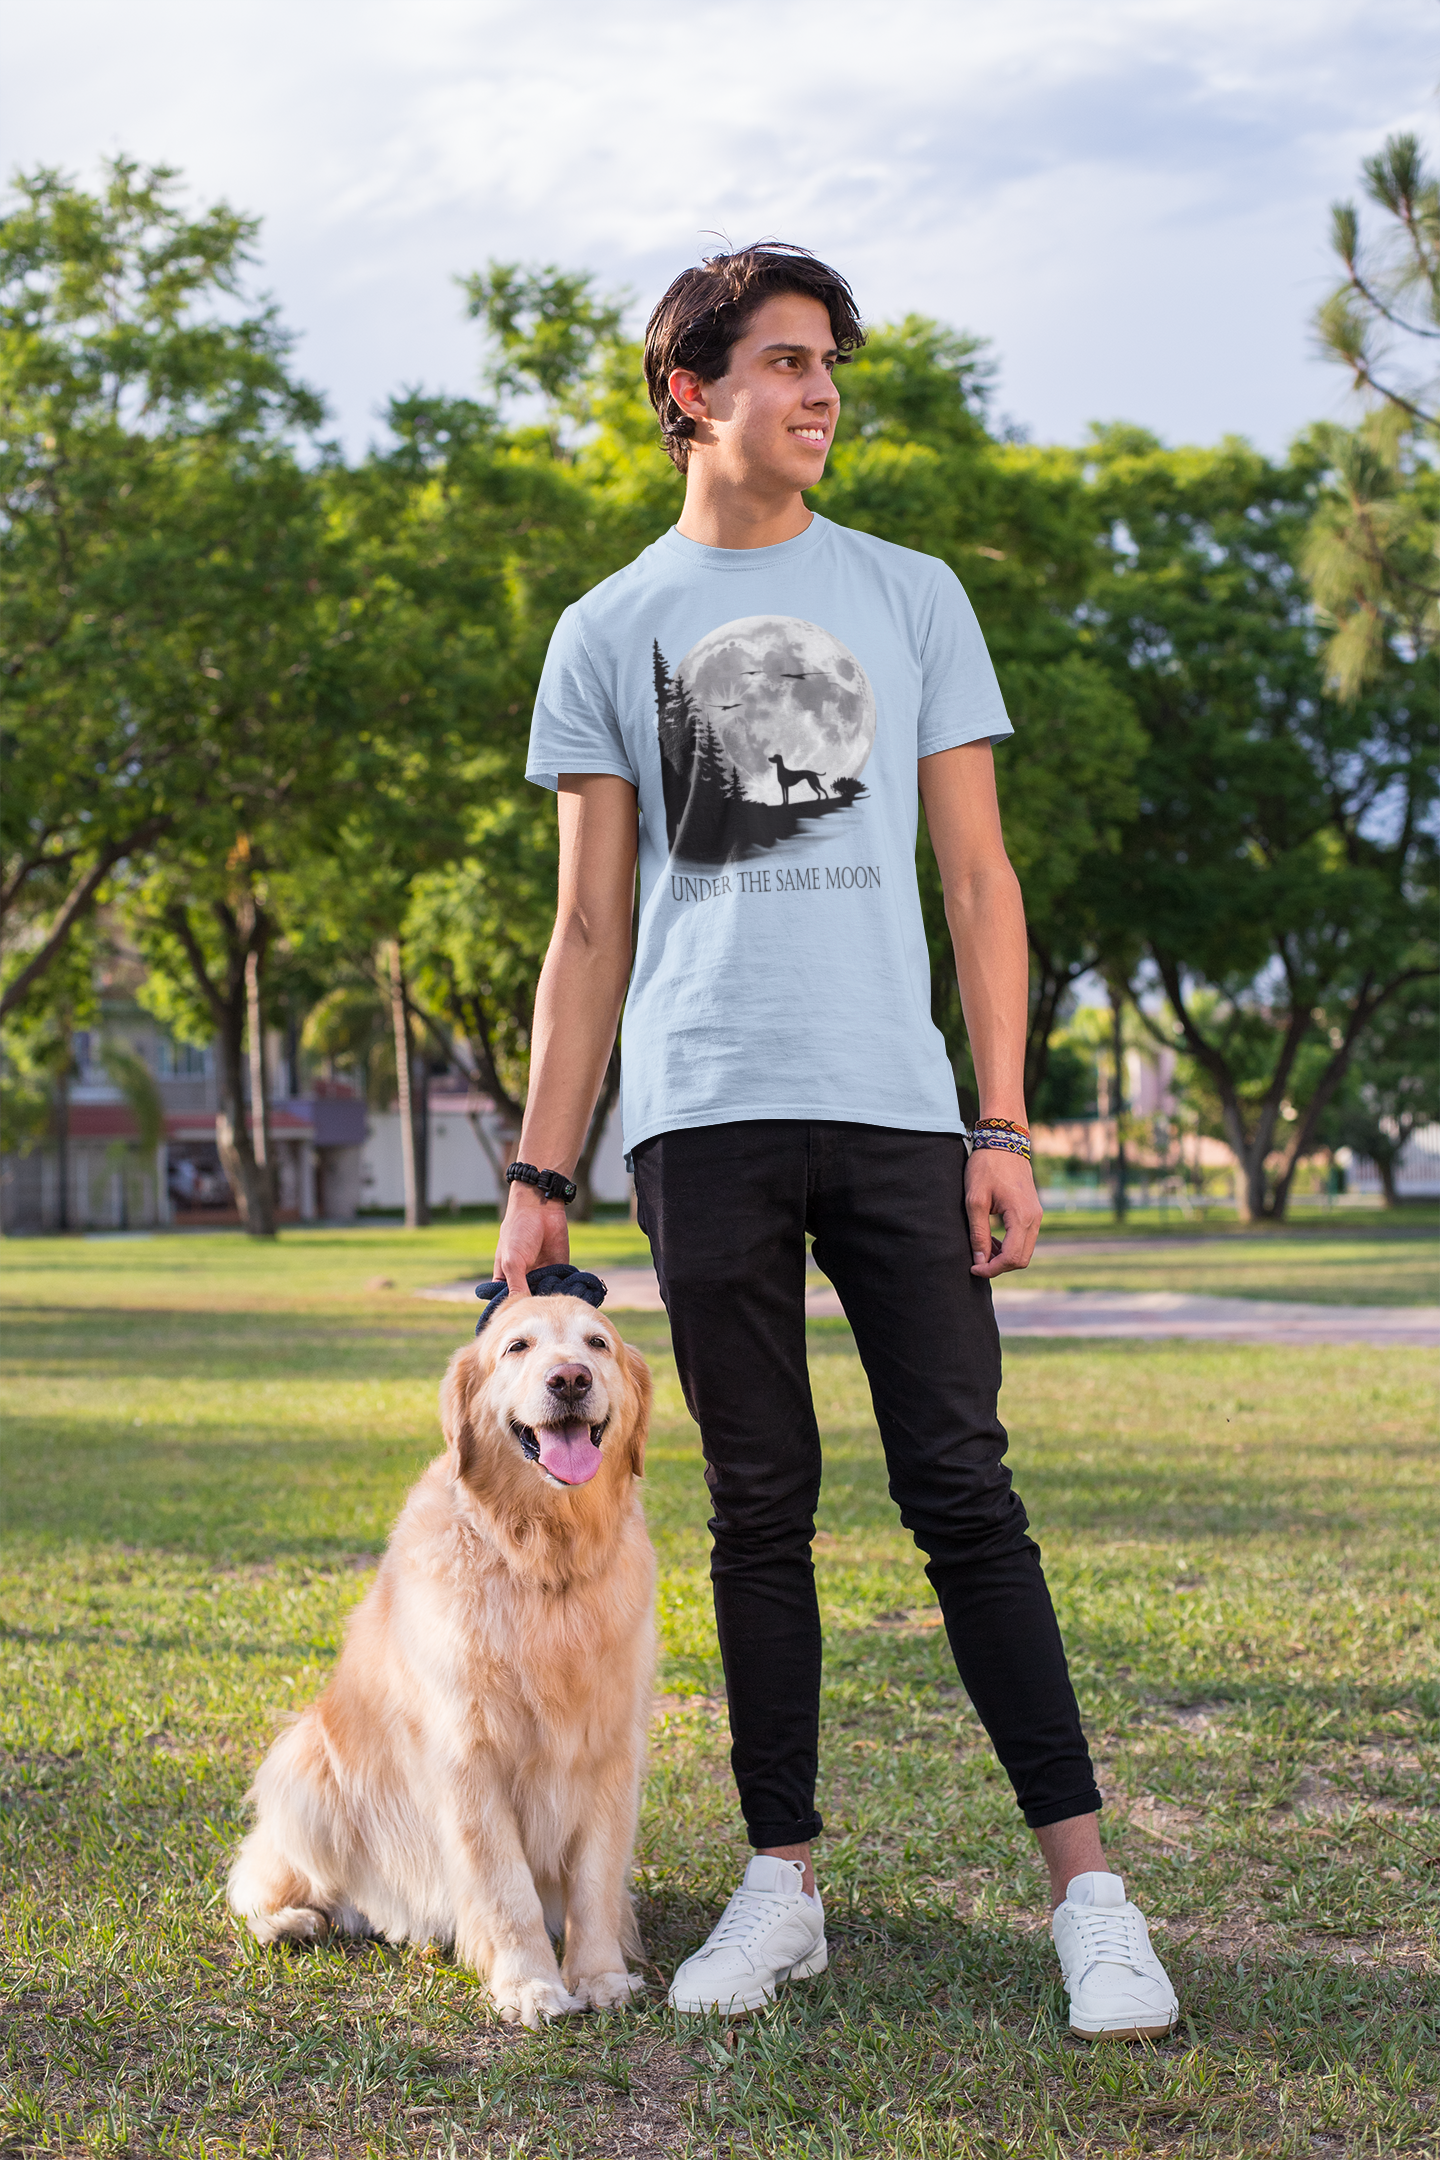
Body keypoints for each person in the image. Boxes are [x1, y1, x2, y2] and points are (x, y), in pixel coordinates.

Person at [496, 243, 1179, 2041]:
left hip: (894, 1107)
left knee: (965, 1491)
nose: (821, 396)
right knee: (760, 1508)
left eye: (829, 367)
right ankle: (780, 1882)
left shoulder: (911, 593)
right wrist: (541, 1179)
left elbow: (980, 877)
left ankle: (1090, 1897)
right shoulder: (607, 628)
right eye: (789, 363)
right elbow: (589, 932)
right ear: (693, 391)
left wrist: (1000, 1121)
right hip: (702, 1113)